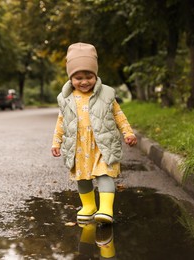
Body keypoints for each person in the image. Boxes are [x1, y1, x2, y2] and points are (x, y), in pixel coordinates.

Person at [51, 42, 137, 224]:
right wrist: (56, 142)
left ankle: (105, 209)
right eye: (78, 77)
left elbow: (118, 115)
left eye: (88, 76)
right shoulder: (66, 98)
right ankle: (89, 206)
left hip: (102, 143)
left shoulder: (106, 94)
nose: (84, 81)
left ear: (95, 75)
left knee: (105, 174)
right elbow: (61, 122)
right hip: (78, 146)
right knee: (82, 178)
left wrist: (128, 133)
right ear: (70, 78)